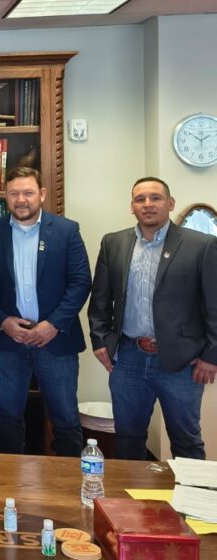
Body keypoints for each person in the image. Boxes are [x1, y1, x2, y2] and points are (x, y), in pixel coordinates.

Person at [88, 177, 217, 460]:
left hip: (181, 362)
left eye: (155, 198)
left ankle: (191, 504)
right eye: (140, 199)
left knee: (186, 440)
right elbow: (100, 299)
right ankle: (127, 503)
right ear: (132, 207)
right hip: (129, 359)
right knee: (128, 438)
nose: (148, 205)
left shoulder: (202, 245)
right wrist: (99, 341)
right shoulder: (114, 243)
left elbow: (214, 304)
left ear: (170, 204)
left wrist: (212, 355)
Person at [0, 166, 92, 457]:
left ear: (41, 194)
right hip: (8, 341)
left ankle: (68, 490)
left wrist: (52, 325)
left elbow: (81, 282)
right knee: (7, 418)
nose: (21, 200)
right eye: (14, 193)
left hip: (55, 340)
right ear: (6, 196)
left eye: (28, 192)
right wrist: (3, 321)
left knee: (66, 419)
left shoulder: (67, 230)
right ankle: (9, 487)